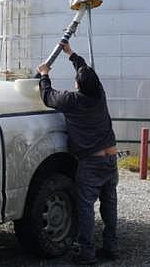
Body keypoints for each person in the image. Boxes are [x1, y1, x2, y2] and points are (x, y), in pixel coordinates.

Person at [37, 42, 118, 265]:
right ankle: (111, 247)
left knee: (85, 209)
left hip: (91, 163)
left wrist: (44, 74)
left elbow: (47, 96)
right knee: (109, 204)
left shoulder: (72, 101)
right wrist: (71, 54)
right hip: (111, 158)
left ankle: (87, 254)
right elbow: (85, 70)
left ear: (78, 85)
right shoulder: (99, 94)